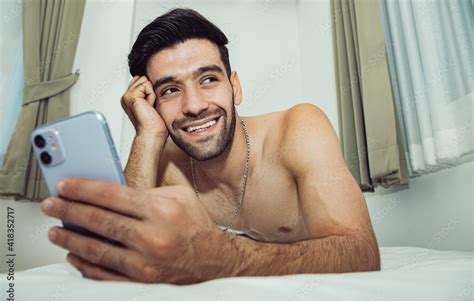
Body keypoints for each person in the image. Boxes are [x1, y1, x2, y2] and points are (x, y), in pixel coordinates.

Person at [41, 8, 380, 284]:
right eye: (170, 90)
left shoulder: (298, 130)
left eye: (208, 80)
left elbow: (362, 252)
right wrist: (147, 135)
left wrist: (225, 257)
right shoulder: (167, 164)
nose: (194, 105)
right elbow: (120, 254)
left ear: (235, 88)